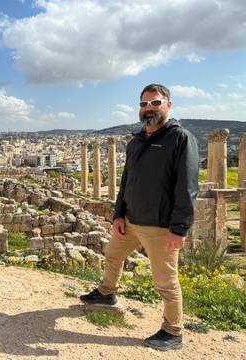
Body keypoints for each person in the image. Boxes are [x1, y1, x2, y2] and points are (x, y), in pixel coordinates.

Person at [80, 84, 199, 351]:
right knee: (112, 255)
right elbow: (126, 181)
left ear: (168, 105)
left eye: (155, 103)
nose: (149, 109)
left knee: (166, 281)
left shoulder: (180, 139)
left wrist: (179, 229)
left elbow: (188, 187)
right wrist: (119, 214)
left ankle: (173, 331)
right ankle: (106, 293)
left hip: (160, 225)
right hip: (131, 220)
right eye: (144, 104)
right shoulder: (136, 141)